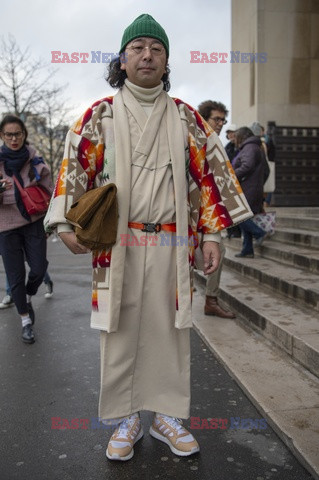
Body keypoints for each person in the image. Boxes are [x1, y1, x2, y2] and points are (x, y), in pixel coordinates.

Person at [44, 14, 251, 462]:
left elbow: (208, 177)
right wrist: (63, 224)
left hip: (174, 243)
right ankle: (126, 418)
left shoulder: (187, 118)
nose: (147, 55)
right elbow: (73, 167)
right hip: (115, 244)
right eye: (137, 47)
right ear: (122, 57)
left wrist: (212, 233)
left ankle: (166, 417)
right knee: (117, 329)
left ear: (167, 60)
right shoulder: (99, 114)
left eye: (156, 49)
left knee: (171, 330)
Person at [0, 115, 53, 343]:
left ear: (24, 135)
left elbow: (50, 189)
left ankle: (29, 295)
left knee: (39, 269)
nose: (14, 139)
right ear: (2, 136)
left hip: (34, 222)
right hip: (6, 228)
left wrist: (53, 219)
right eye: (9, 134)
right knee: (15, 277)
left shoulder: (34, 160)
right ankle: (25, 321)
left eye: (18, 134)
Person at [196, 100, 236, 319]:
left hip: (211, 212)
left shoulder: (217, 144)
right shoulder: (193, 140)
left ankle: (211, 300)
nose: (220, 123)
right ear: (204, 118)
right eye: (216, 119)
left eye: (223, 119)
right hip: (187, 212)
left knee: (219, 251)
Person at [233, 127, 269, 258]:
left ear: (242, 136)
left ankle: (259, 233)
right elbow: (266, 171)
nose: (235, 140)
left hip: (248, 189)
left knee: (239, 216)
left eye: (236, 137)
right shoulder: (255, 147)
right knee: (245, 216)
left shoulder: (249, 148)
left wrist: (232, 175)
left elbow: (247, 166)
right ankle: (247, 249)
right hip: (252, 188)